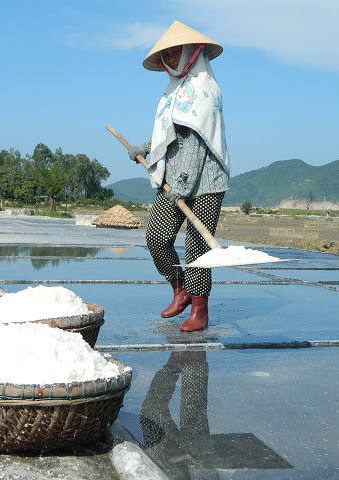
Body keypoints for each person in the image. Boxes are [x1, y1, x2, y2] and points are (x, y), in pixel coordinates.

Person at [128, 21, 230, 332]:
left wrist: (183, 186)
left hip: (206, 182)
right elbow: (168, 132)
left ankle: (199, 310)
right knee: (156, 237)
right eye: (167, 55)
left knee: (198, 249)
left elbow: (197, 143)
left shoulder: (204, 90)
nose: (172, 59)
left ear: (191, 52)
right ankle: (180, 289)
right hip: (172, 179)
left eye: (176, 53)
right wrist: (143, 148)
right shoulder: (174, 91)